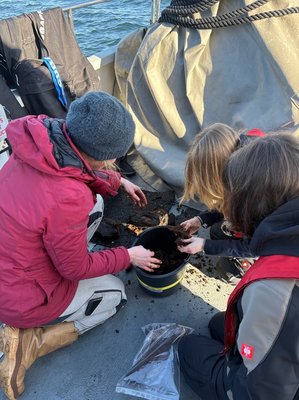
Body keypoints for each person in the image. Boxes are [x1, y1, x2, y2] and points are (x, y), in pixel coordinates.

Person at [0, 91, 162, 400]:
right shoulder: (68, 196)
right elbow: (74, 268)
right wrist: (129, 255)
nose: (114, 162)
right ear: (102, 153)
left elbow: (72, 169)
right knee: (116, 295)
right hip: (23, 296)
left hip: (8, 262)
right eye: (114, 155)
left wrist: (118, 182)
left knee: (97, 202)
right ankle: (33, 343)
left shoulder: (38, 134)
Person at [178, 132, 299, 399]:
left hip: (261, 386)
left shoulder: (275, 291)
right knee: (217, 325)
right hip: (282, 339)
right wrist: (202, 220)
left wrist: (206, 247)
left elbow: (265, 391)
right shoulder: (272, 162)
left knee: (186, 348)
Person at [178, 123, 265, 283]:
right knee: (217, 233)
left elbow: (256, 246)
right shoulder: (240, 154)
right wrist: (201, 220)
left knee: (228, 272)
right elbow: (225, 199)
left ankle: (250, 271)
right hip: (252, 222)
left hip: (278, 246)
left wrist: (205, 246)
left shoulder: (258, 198)